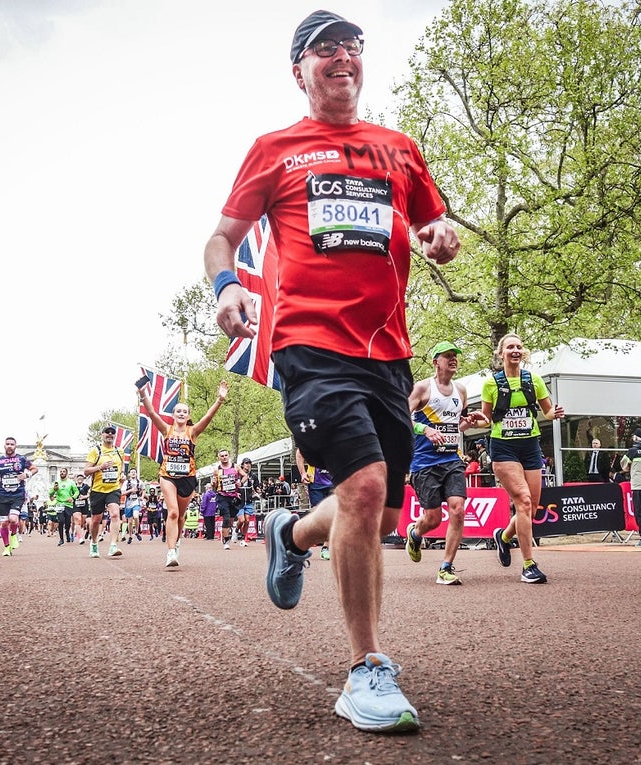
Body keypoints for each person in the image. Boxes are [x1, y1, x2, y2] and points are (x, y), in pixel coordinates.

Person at [204, 8, 460, 734]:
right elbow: (221, 240)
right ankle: (365, 667)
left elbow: (435, 226)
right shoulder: (274, 149)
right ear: (300, 70)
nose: (341, 55)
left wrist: (442, 236)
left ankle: (289, 534)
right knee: (365, 485)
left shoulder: (398, 148)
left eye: (351, 44)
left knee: (374, 512)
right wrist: (228, 289)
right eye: (323, 48)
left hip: (387, 351)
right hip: (308, 346)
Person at [481, 334, 565, 584]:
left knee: (530, 506)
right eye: (510, 347)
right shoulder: (491, 384)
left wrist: (554, 413)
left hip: (530, 445)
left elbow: (547, 410)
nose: (515, 350)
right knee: (524, 502)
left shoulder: (534, 380)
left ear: (523, 352)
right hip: (503, 447)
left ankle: (504, 537)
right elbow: (487, 418)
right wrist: (477, 419)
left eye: (518, 347)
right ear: (501, 353)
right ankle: (529, 565)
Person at [405, 341, 489, 585]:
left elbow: (455, 426)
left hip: (452, 459)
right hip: (424, 462)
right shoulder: (421, 389)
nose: (453, 359)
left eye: (456, 356)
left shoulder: (460, 391)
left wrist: (469, 422)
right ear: (436, 362)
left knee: (458, 509)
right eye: (448, 356)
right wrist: (425, 429)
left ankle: (446, 567)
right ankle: (415, 532)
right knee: (433, 519)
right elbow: (401, 417)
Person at [138, 380, 227, 567]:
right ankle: (171, 553)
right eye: (178, 411)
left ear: (188, 416)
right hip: (167, 474)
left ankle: (177, 542)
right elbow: (152, 413)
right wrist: (143, 394)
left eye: (184, 411)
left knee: (180, 516)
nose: (181, 413)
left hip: (187, 477)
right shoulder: (166, 429)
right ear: (173, 415)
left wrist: (219, 400)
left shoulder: (193, 431)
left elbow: (208, 417)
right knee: (172, 513)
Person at [0, 437, 37, 557]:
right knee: (4, 524)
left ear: (15, 446)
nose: (9, 446)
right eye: (7, 444)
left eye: (12, 444)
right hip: (3, 495)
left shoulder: (21, 459)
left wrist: (27, 474)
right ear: (4, 446)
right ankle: (6, 547)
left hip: (18, 494)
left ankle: (14, 534)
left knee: (14, 519)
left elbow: (35, 468)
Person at [84, 426, 127, 559]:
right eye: (107, 433)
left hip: (113, 489)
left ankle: (113, 545)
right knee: (96, 520)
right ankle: (94, 543)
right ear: (102, 435)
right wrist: (100, 467)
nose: (110, 434)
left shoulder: (119, 451)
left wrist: (122, 476)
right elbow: (86, 471)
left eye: (112, 433)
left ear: (115, 436)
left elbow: (121, 468)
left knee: (115, 514)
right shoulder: (95, 451)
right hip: (97, 490)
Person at [296, 448, 334, 560]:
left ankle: (326, 547)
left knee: (332, 516)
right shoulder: (314, 435)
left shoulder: (339, 436)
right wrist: (303, 473)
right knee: (318, 517)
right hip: (316, 483)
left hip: (333, 482)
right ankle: (299, 539)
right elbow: (299, 453)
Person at [213, 449, 242, 550]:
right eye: (222, 456)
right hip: (222, 496)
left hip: (233, 496)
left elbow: (245, 476)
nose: (224, 457)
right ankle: (226, 541)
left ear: (229, 456)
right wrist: (214, 483)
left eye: (226, 455)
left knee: (231, 520)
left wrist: (240, 482)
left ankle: (225, 533)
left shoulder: (236, 467)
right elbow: (215, 485)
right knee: (226, 518)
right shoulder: (217, 470)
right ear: (219, 458)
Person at [50, 467, 78, 546]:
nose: (62, 473)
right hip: (59, 504)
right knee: (61, 521)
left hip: (68, 504)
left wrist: (72, 498)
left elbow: (76, 492)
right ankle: (61, 539)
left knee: (68, 522)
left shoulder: (71, 482)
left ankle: (67, 533)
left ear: (66, 473)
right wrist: (54, 490)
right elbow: (50, 493)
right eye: (61, 471)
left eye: (64, 471)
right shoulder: (56, 482)